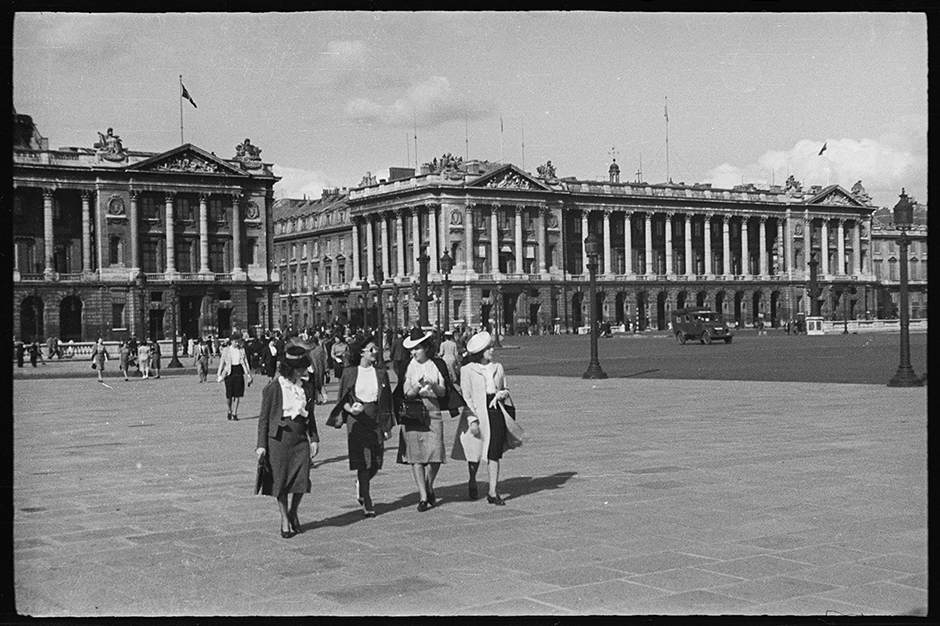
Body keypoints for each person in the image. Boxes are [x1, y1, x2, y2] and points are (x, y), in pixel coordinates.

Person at [395, 328, 463, 512]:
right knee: (416, 457)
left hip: (433, 411)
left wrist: (433, 384)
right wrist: (417, 385)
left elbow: (443, 392)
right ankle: (423, 496)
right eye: (411, 349)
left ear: (425, 347)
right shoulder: (408, 366)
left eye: (416, 348)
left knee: (436, 453)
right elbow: (406, 393)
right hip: (414, 411)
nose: (413, 352)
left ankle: (429, 483)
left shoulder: (437, 365)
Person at [256, 345, 319, 539]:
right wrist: (261, 446)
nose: (304, 370)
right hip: (279, 440)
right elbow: (264, 419)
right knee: (281, 482)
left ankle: (294, 511)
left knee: (302, 479)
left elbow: (311, 416)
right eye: (300, 367)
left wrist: (314, 439)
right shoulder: (274, 388)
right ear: (290, 368)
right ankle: (285, 518)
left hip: (300, 439)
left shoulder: (306, 387)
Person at [328, 335, 394, 517]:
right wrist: (351, 409)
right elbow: (342, 398)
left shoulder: (381, 372)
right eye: (371, 349)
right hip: (356, 420)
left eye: (376, 349)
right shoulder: (350, 372)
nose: (375, 352)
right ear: (361, 353)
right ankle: (366, 499)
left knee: (377, 461)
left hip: (375, 417)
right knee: (363, 461)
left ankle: (360, 484)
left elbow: (386, 400)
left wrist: (388, 425)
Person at [452, 331, 512, 505]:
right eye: (488, 348)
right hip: (477, 411)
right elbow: (467, 397)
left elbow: (506, 388)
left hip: (495, 410)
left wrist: (502, 394)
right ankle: (472, 479)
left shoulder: (498, 367)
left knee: (494, 451)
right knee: (475, 452)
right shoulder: (467, 370)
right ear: (480, 352)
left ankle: (493, 491)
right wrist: (472, 420)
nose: (492, 350)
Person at [218, 332, 253, 420]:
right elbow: (222, 362)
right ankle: (229, 409)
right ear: (231, 341)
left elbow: (245, 363)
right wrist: (219, 374)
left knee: (238, 394)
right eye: (235, 342)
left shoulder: (241, 350)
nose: (237, 343)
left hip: (239, 371)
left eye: (238, 342)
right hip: (229, 372)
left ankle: (235, 413)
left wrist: (248, 374)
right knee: (229, 395)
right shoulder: (226, 350)